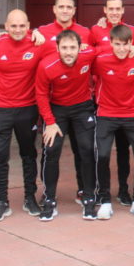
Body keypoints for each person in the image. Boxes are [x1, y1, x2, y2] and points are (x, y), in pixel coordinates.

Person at [0, 9, 44, 222]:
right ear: (6, 26)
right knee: (0, 157)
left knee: (29, 155)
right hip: (1, 109)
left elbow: (66, 44)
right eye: (13, 26)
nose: (18, 30)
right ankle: (1, 201)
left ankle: (30, 198)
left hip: (27, 109)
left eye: (22, 26)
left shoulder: (38, 43)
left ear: (28, 26)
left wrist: (39, 33)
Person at [35, 30, 97, 221]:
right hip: (57, 109)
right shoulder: (46, 65)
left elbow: (108, 49)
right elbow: (41, 94)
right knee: (51, 150)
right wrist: (50, 122)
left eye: (72, 47)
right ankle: (49, 199)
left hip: (82, 108)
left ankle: (88, 197)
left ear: (80, 48)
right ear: (57, 48)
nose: (68, 52)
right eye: (64, 48)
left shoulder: (88, 54)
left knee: (87, 149)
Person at [91, 24, 134, 219]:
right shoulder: (100, 60)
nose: (122, 49)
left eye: (125, 44)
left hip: (132, 114)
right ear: (111, 43)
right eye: (117, 44)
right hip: (106, 114)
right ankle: (105, 201)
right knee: (102, 156)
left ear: (131, 43)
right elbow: (84, 55)